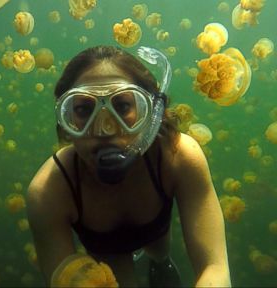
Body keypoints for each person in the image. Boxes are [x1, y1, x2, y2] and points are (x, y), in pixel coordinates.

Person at [27, 45, 231, 287]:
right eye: (83, 109)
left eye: (122, 106)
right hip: (106, 251)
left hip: (156, 232)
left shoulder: (178, 156)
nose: (105, 130)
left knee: (159, 250)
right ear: (66, 121)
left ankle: (161, 262)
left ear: (152, 114)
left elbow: (215, 268)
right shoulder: (48, 192)